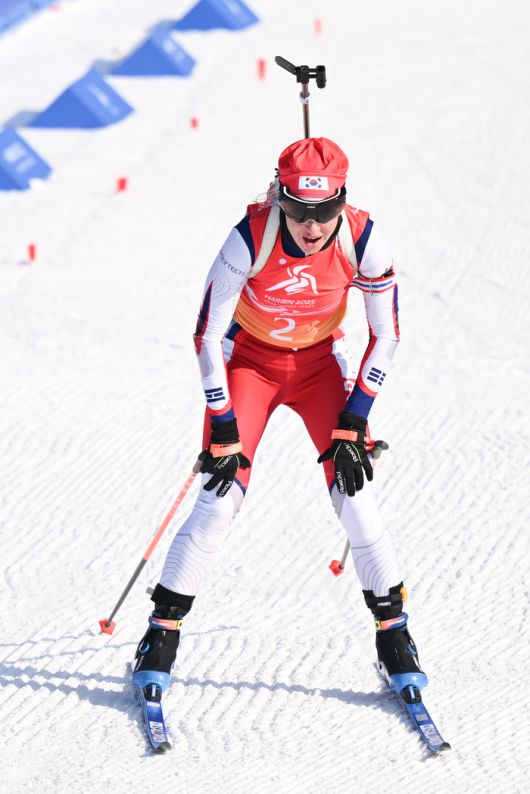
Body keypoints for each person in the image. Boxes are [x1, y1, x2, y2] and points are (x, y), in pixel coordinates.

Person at [132, 137, 427, 699]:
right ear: (279, 198)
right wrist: (221, 423)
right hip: (252, 366)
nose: (311, 226)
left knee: (355, 497)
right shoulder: (250, 236)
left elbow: (386, 334)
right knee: (219, 499)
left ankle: (395, 637)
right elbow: (207, 334)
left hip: (321, 367)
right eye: (297, 210)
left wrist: (356, 417)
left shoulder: (364, 238)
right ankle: (160, 635)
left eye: (323, 212)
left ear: (342, 200)